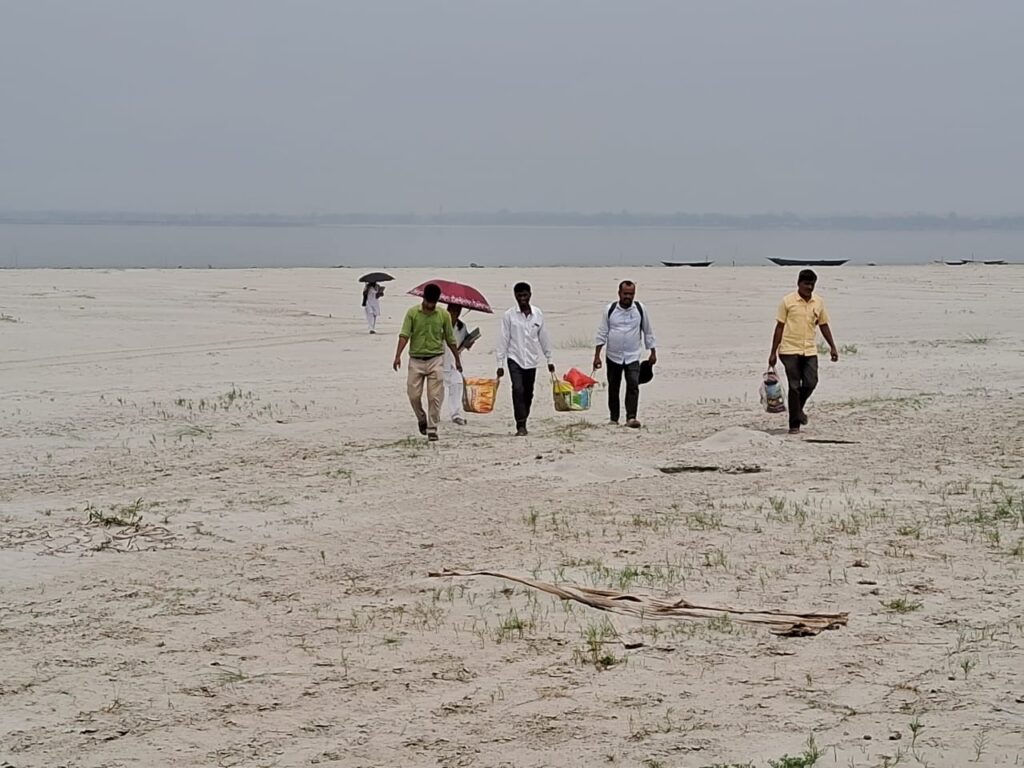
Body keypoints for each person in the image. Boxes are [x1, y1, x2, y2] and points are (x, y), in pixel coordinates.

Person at [768, 269, 839, 435]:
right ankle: (794, 424)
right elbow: (779, 327)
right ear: (798, 284)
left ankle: (797, 411)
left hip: (809, 350)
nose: (809, 287)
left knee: (810, 382)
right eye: (806, 284)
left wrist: (832, 347)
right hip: (789, 349)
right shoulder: (787, 301)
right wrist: (773, 353)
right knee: (794, 386)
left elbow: (823, 325)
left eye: (812, 284)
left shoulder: (818, 302)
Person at [393, 283, 462, 441]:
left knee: (434, 396)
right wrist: (397, 355)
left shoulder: (443, 315)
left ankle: (432, 428)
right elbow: (404, 335)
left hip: (435, 359)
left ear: (437, 300)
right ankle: (421, 418)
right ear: (423, 298)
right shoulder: (412, 313)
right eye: (428, 302)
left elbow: (450, 339)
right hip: (416, 360)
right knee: (413, 395)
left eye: (433, 302)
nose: (430, 305)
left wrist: (457, 360)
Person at [593, 280, 657, 428]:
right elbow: (602, 333)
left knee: (633, 385)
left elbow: (648, 332)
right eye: (625, 294)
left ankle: (631, 417)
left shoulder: (640, 309)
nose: (628, 297)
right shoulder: (610, 310)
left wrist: (652, 352)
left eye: (631, 294)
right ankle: (614, 418)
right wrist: (597, 355)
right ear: (619, 293)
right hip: (613, 356)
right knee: (613, 387)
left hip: (633, 356)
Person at [495, 282, 554, 436]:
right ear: (515, 296)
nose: (522, 298)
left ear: (530, 295)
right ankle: (520, 424)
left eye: (525, 295)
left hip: (532, 360)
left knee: (528, 392)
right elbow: (503, 339)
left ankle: (524, 416)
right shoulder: (509, 315)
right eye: (519, 295)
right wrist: (500, 363)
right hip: (514, 358)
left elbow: (544, 338)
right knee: (518, 389)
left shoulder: (538, 314)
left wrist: (549, 359)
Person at [443, 304, 475, 425]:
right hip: (438, 360)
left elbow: (462, 343)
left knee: (457, 383)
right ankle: (434, 414)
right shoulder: (439, 323)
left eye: (457, 311)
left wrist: (469, 343)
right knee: (437, 390)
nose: (454, 314)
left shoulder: (461, 327)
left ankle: (455, 414)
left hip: (454, 361)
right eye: (452, 311)